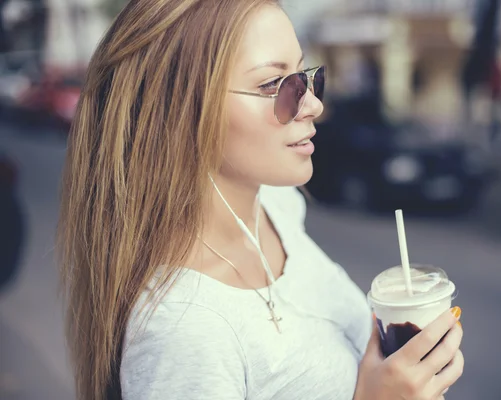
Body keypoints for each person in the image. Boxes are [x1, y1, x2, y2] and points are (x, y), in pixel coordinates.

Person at [57, 0, 464, 399]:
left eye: (307, 76)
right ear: (179, 109)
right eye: (274, 85)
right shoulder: (182, 331)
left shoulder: (276, 205)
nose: (314, 105)